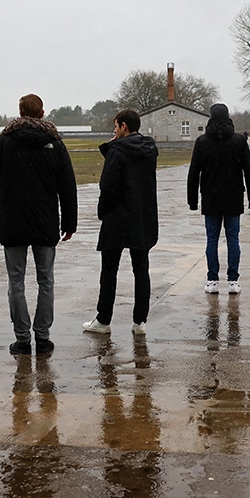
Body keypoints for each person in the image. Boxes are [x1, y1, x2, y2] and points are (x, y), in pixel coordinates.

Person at [0, 94, 77, 356]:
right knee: (46, 281)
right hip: (45, 222)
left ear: (20, 113)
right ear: (42, 113)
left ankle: (22, 339)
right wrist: (70, 222)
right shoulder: (55, 144)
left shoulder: (5, 142)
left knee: (16, 281)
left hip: (13, 222)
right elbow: (68, 186)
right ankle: (42, 337)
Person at [83, 109, 159, 336]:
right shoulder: (149, 150)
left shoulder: (117, 151)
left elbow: (108, 186)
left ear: (124, 126)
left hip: (117, 216)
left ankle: (104, 319)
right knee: (141, 270)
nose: (114, 131)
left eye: (116, 127)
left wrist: (102, 211)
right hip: (142, 216)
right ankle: (140, 321)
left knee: (109, 271)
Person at [186, 103, 250, 294]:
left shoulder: (202, 142)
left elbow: (194, 173)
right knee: (233, 238)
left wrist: (192, 200)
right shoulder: (239, 141)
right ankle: (233, 280)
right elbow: (249, 171)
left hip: (210, 196)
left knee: (212, 238)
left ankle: (212, 280)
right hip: (233, 196)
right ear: (228, 117)